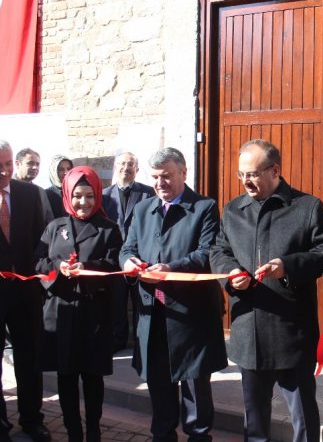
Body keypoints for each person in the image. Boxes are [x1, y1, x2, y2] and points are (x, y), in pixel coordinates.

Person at [210, 139, 323, 442]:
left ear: (275, 170)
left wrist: (288, 266)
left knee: (303, 417)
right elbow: (218, 249)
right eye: (242, 175)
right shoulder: (233, 210)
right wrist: (230, 275)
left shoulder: (307, 207)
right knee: (255, 421)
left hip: (291, 331)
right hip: (248, 331)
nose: (246, 181)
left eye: (252, 173)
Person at [120, 147, 227, 442]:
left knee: (194, 388)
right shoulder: (142, 209)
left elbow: (207, 253)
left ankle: (198, 435)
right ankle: (163, 435)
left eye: (166, 176)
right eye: (154, 177)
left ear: (183, 172)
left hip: (190, 316)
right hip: (152, 314)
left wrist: (170, 268)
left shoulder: (204, 207)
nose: (160, 183)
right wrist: (128, 262)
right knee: (159, 384)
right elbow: (128, 247)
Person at [0, 137, 50, 442]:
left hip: (25, 294)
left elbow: (43, 236)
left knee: (30, 360)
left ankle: (32, 420)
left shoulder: (30, 194)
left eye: (7, 164)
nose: (4, 172)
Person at [35, 166, 122, 442]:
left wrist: (89, 268)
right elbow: (38, 263)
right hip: (61, 312)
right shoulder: (54, 227)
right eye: (76, 196)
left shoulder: (108, 229)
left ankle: (93, 430)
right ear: (67, 196)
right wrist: (58, 267)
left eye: (88, 196)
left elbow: (114, 266)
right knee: (66, 377)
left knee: (92, 377)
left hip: (93, 314)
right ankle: (73, 431)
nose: (82, 202)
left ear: (97, 195)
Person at [103, 152, 155, 352]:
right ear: (116, 166)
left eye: (131, 164)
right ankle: (118, 340)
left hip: (142, 257)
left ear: (137, 169)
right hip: (116, 258)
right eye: (122, 163)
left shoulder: (148, 192)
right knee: (117, 302)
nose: (126, 167)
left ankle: (141, 340)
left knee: (141, 301)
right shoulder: (105, 196)